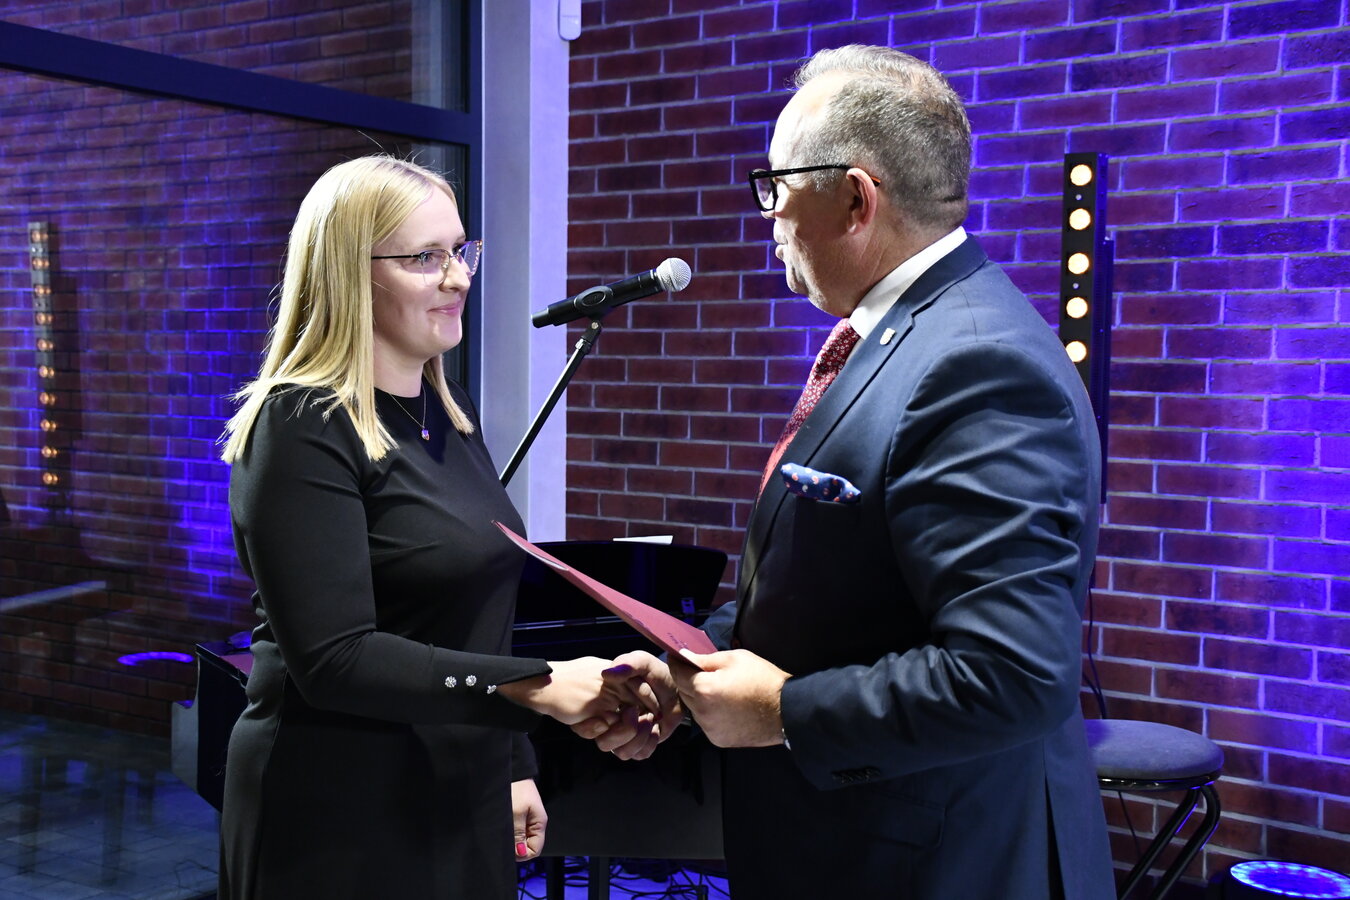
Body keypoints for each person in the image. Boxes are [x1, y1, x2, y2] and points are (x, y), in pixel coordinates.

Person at [579, 45, 1116, 899]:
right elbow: (847, 594)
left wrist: (780, 711)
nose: (768, 217)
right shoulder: (906, 334)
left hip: (938, 863)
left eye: (776, 186)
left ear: (856, 199)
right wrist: (701, 667)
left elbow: (1013, 676)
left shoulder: (976, 362)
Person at [217, 155, 642, 899]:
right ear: (349, 275)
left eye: (461, 250)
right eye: (425, 257)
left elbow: (478, 616)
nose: (458, 277)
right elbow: (336, 659)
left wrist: (512, 761)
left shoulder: (449, 411)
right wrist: (537, 686)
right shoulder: (300, 425)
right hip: (339, 805)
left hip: (459, 783)